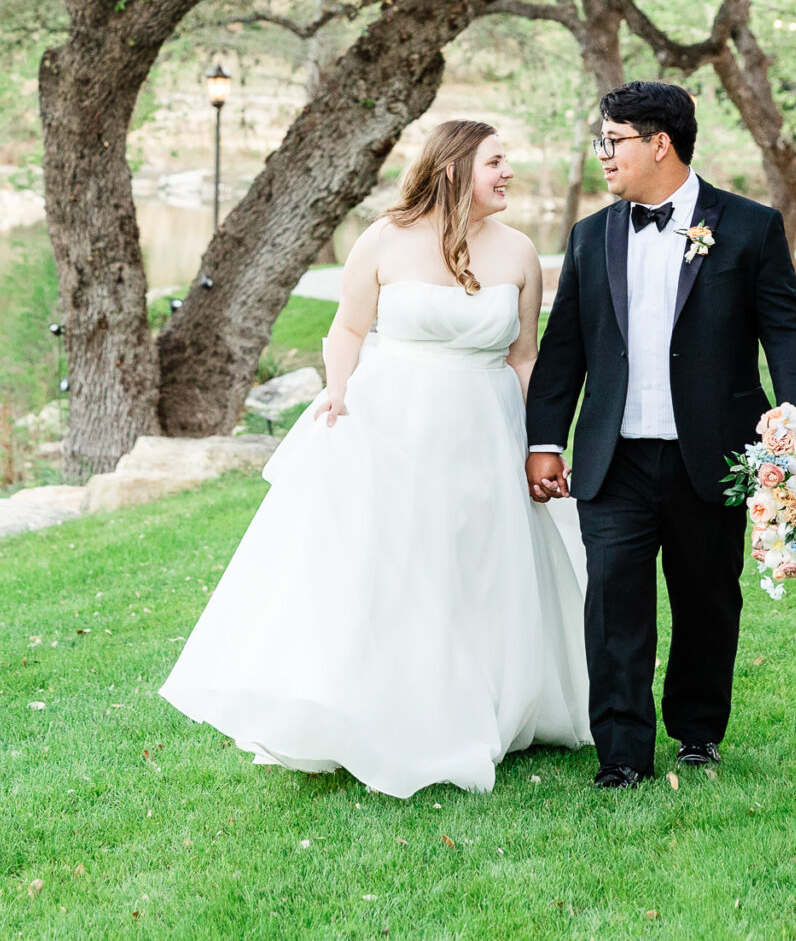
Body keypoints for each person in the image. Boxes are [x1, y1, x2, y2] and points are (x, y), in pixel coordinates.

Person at [160, 119, 591, 797]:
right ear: (452, 169)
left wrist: (542, 440)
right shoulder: (385, 238)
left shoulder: (518, 253)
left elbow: (523, 354)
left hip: (486, 423)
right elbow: (349, 327)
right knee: (400, 563)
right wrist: (337, 392)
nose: (508, 172)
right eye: (495, 162)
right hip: (396, 420)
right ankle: (392, 706)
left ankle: (484, 701)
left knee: (479, 561)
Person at [525, 81, 796, 789]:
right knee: (614, 604)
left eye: (613, 140)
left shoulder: (749, 227)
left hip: (712, 454)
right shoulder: (591, 235)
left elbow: (785, 329)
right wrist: (546, 438)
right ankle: (621, 754)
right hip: (614, 457)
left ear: (660, 143)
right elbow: (564, 346)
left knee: (707, 599)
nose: (603, 154)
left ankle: (697, 733)